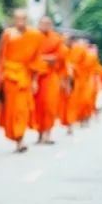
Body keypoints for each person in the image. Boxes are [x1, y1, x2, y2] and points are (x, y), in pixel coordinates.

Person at [0, 9, 45, 153]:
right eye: (17, 19)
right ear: (13, 20)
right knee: (12, 109)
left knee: (22, 109)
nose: (20, 22)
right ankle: (17, 137)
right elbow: (0, 55)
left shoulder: (34, 36)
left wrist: (35, 80)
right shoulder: (8, 34)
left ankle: (20, 138)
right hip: (10, 76)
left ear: (27, 19)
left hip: (24, 76)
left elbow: (36, 60)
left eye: (23, 18)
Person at [33, 16, 67, 144]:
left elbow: (58, 57)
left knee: (50, 105)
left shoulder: (56, 39)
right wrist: (46, 58)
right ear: (38, 24)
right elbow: (30, 56)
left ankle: (48, 133)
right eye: (42, 23)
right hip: (36, 76)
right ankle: (40, 134)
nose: (45, 26)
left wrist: (42, 57)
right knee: (38, 107)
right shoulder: (33, 37)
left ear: (51, 25)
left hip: (51, 76)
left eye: (48, 23)